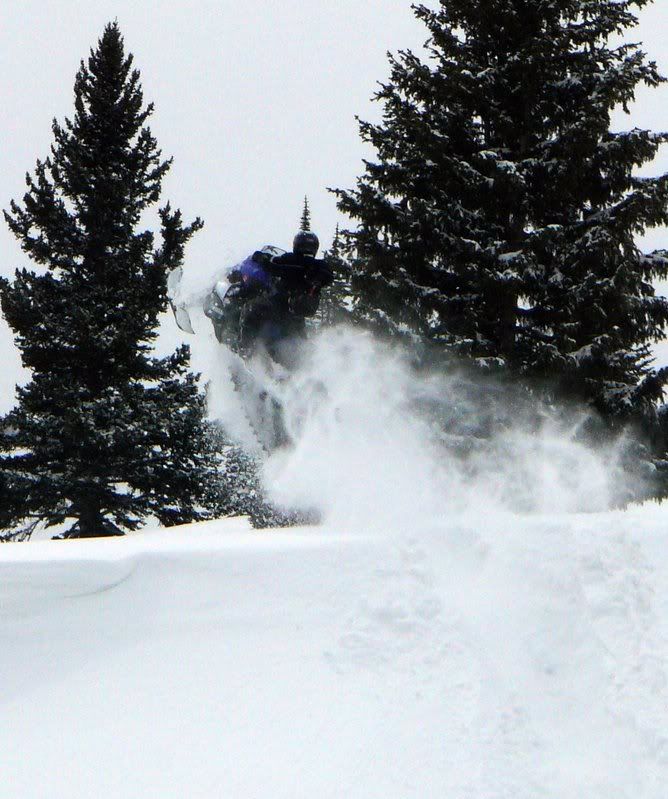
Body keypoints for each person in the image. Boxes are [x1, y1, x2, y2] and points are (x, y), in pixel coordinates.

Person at [204, 232, 333, 367]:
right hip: (294, 320)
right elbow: (278, 263)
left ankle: (244, 350)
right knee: (298, 340)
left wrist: (265, 261)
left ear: (296, 245)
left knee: (252, 310)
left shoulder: (302, 263)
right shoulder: (315, 266)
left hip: (278, 308)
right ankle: (287, 371)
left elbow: (279, 266)